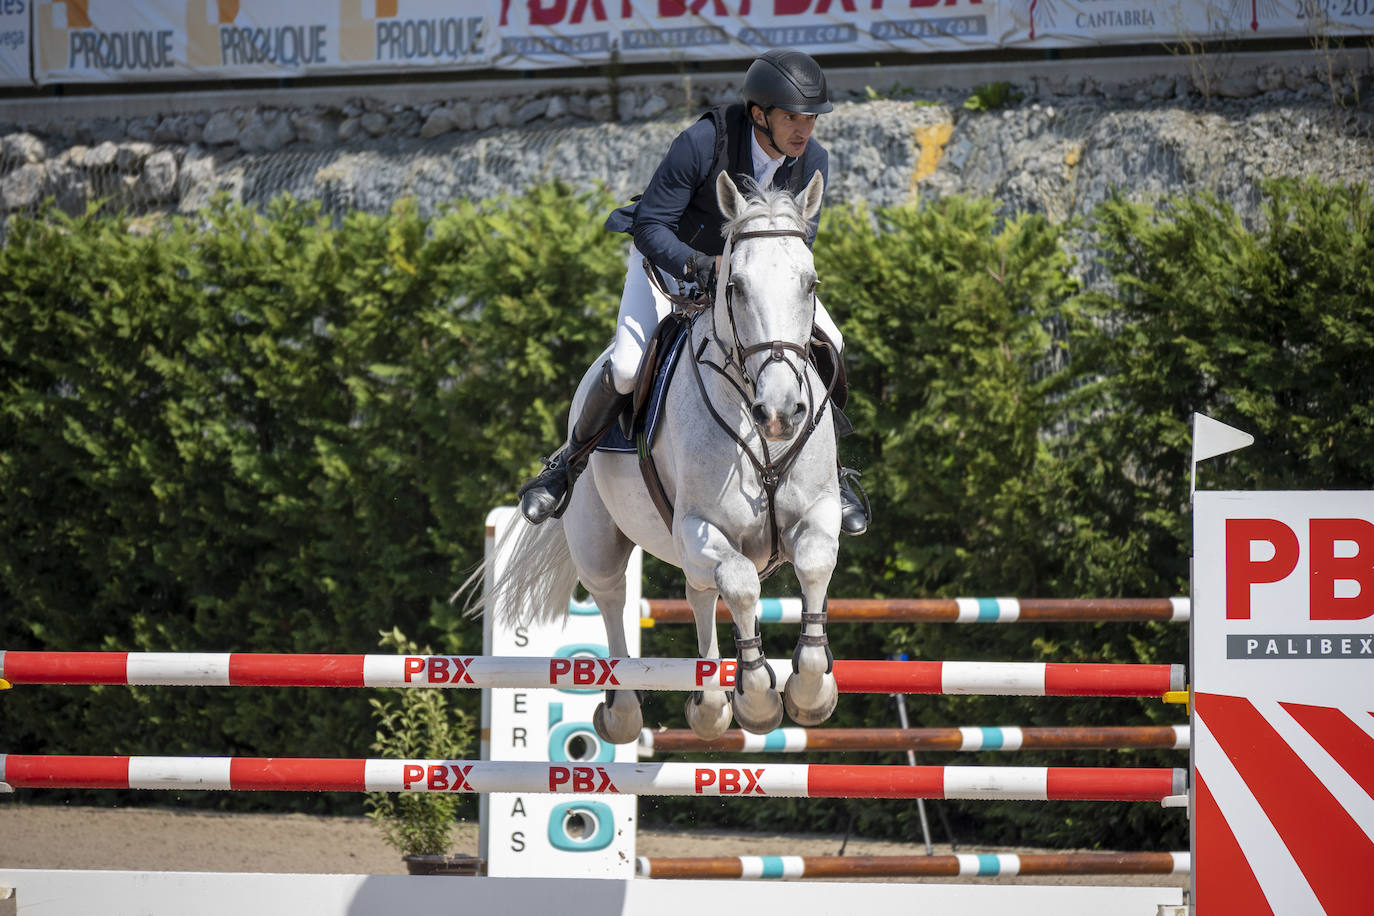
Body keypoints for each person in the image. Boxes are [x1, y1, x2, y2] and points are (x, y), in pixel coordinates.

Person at [517, 48, 870, 536]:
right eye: (792, 117)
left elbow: (795, 245)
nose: (803, 130)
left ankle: (833, 473)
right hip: (671, 267)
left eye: (810, 118)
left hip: (750, 283)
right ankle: (565, 468)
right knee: (624, 366)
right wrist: (702, 266)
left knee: (831, 341)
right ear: (759, 115)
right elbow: (649, 225)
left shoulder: (813, 161)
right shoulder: (702, 143)